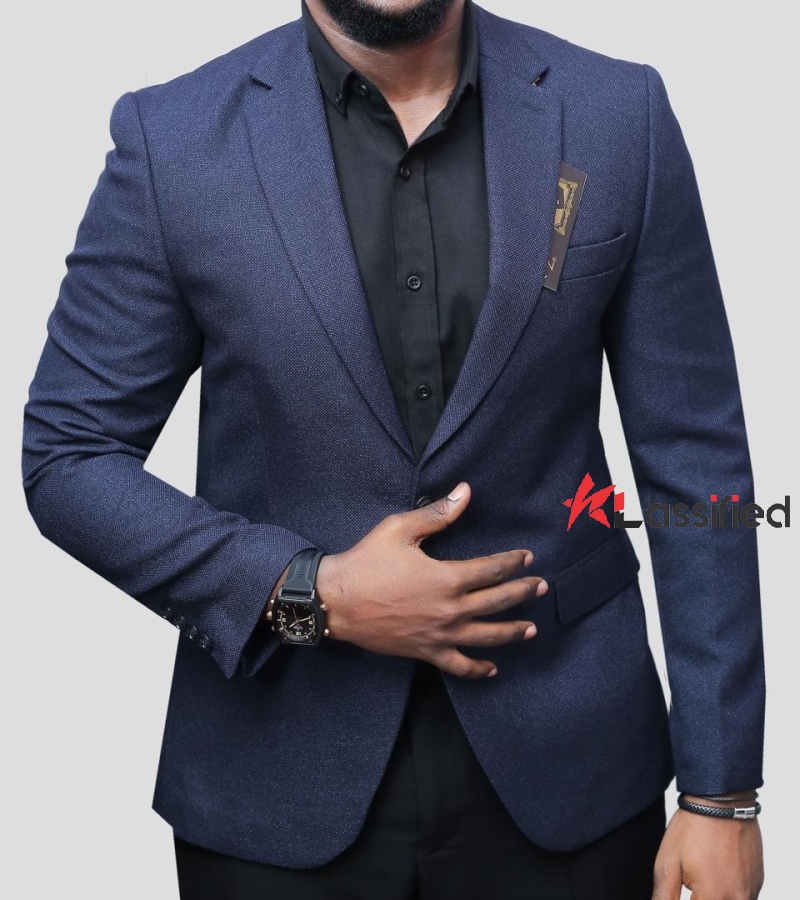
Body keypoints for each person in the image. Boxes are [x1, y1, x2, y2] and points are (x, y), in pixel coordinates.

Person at [21, 1, 766, 897]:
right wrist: (309, 592)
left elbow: (698, 460)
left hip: (577, 777)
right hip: (275, 791)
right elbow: (70, 454)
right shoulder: (173, 141)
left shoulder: (616, 115)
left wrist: (723, 792)